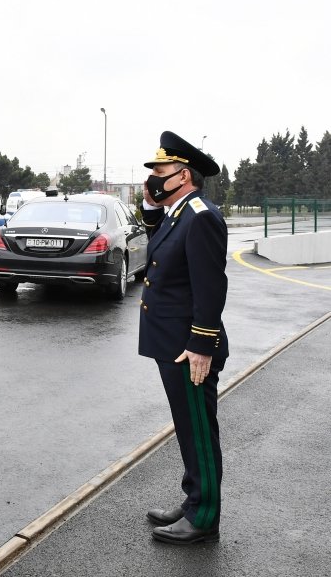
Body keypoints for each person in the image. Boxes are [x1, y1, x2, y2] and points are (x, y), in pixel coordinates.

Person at [138, 131, 228, 544]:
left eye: (160, 171)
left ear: (183, 175)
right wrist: (150, 202)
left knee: (197, 429)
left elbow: (210, 288)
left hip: (188, 347)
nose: (154, 177)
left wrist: (201, 345)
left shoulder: (202, 216)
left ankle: (204, 516)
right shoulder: (179, 212)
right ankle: (194, 499)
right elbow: (159, 242)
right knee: (186, 425)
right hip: (172, 343)